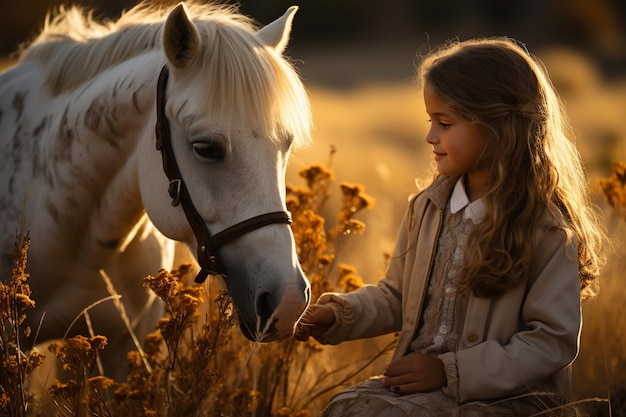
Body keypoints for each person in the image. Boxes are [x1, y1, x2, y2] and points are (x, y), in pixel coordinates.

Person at [294, 37, 607, 416]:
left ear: (498, 129)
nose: (430, 136)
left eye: (445, 122)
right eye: (430, 121)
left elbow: (551, 343)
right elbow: (398, 297)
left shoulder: (547, 230)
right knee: (342, 408)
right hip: (424, 392)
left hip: (507, 400)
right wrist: (338, 314)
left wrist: (447, 371)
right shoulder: (427, 208)